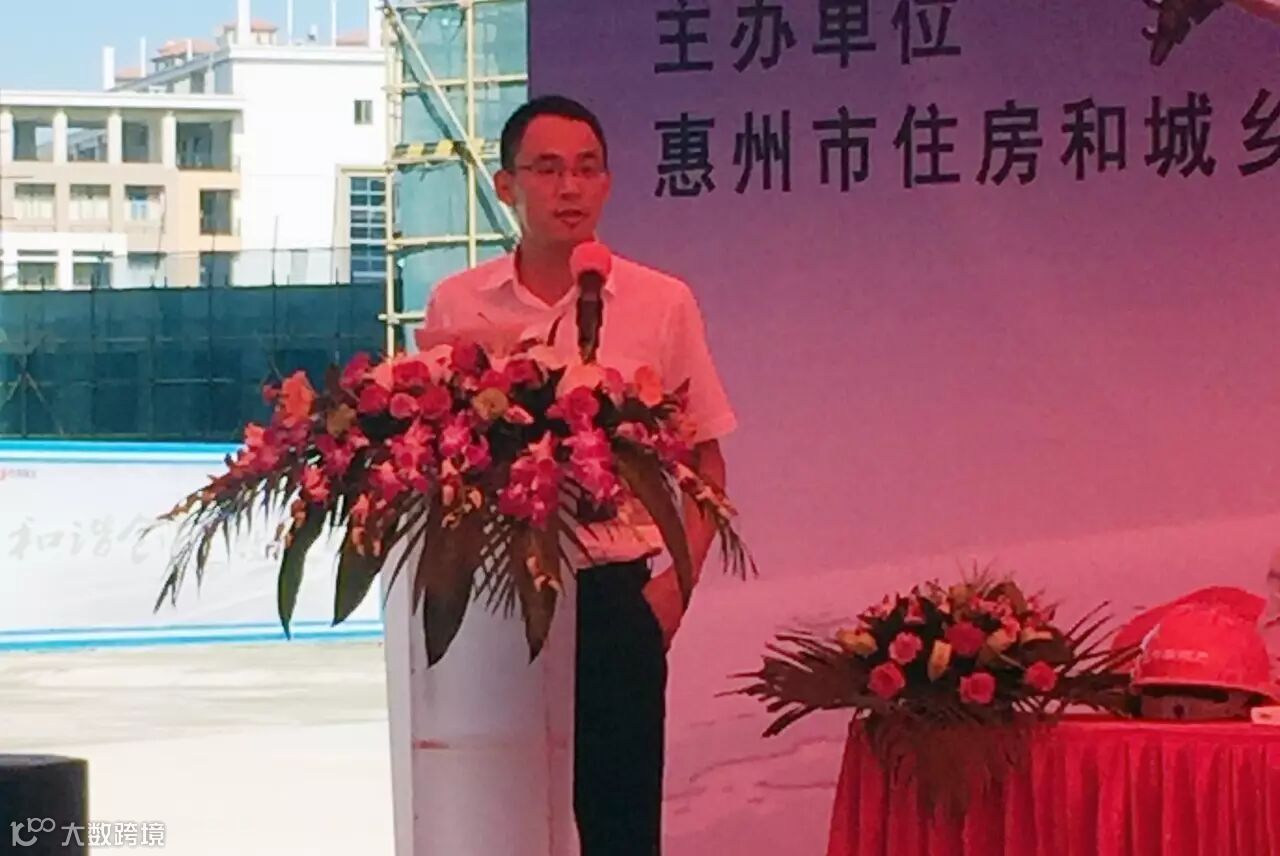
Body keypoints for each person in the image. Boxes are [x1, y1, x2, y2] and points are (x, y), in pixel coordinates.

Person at [421, 95, 737, 856]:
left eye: (587, 169)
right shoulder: (458, 303)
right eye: (547, 169)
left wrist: (674, 589)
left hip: (613, 596)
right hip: (491, 604)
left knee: (619, 827)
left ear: (608, 184)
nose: (570, 187)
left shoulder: (661, 302)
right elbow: (431, 457)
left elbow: (706, 460)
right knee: (496, 821)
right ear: (505, 185)